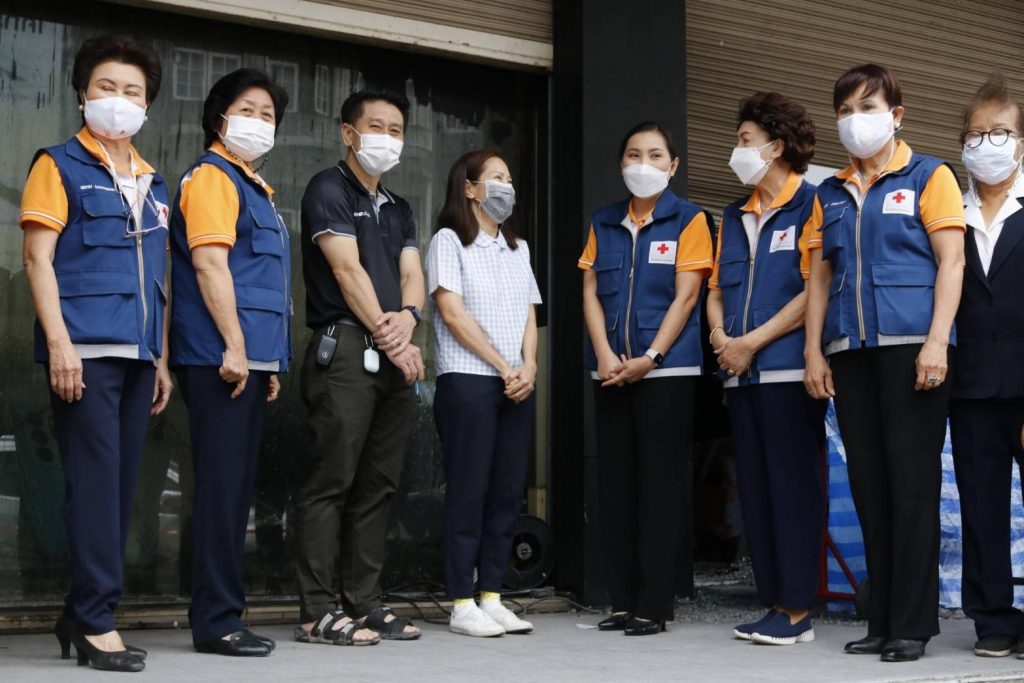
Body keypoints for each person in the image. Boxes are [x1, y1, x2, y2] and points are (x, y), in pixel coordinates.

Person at [802, 63, 966, 662]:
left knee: (911, 487)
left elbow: (952, 262)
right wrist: (814, 350)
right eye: (845, 110)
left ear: (896, 115)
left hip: (913, 350)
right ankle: (882, 616)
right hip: (851, 354)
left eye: (867, 108)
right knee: (869, 487)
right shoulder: (829, 192)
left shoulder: (930, 175)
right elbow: (819, 279)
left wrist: (937, 341)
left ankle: (913, 624)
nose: (855, 120)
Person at [20, 34, 170, 673]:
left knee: (119, 491)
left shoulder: (153, 182)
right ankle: (95, 620)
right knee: (94, 490)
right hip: (84, 351)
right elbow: (38, 260)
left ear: (147, 105)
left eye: (132, 91)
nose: (119, 99)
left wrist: (160, 359)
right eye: (107, 87)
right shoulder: (57, 165)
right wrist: (60, 344)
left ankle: (79, 611)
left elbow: (160, 277)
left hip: (138, 356)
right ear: (83, 94)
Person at [293, 89, 425, 646]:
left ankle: (364, 602)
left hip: (392, 349)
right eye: (377, 126)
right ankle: (317, 610)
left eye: (397, 130)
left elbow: (412, 274)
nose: (387, 138)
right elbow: (347, 273)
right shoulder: (328, 188)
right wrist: (393, 338)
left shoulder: (398, 206)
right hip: (347, 346)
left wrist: (409, 319)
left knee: (378, 484)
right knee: (332, 481)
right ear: (349, 132)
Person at [168, 68, 291, 657]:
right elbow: (211, 266)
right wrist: (238, 348)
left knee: (235, 492)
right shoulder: (214, 178)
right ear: (218, 116)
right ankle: (216, 621)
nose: (259, 122)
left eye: (269, 115)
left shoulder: (253, 187)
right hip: (220, 359)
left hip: (245, 362)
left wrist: (269, 361)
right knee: (221, 493)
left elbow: (260, 282)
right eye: (248, 110)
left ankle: (225, 613)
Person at [579, 121, 713, 636]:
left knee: (659, 486)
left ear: (673, 165)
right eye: (634, 154)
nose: (644, 163)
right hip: (612, 369)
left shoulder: (690, 218)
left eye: (656, 155)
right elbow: (590, 292)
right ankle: (622, 600)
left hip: (667, 370)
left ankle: (654, 604)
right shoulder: (604, 220)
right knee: (615, 485)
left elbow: (687, 296)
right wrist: (604, 353)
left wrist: (652, 356)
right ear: (621, 163)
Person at [706, 92, 825, 646]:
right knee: (755, 491)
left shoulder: (812, 204)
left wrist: (751, 342)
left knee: (792, 489)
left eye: (745, 140)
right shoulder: (734, 215)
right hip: (740, 374)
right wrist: (721, 338)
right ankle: (774, 603)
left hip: (785, 372)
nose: (737, 150)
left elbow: (813, 290)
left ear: (776, 147)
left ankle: (797, 608)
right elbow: (715, 289)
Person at [426, 150, 542, 637]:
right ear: (470, 188)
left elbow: (530, 314)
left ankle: (492, 595)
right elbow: (452, 314)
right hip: (469, 379)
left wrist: (529, 366)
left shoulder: (520, 249)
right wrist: (502, 365)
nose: (506, 187)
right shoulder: (448, 241)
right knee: (469, 491)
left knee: (507, 493)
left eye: (509, 178)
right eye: (496, 178)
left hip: (516, 383)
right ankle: (460, 601)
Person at [950, 74, 1024, 659]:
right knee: (981, 506)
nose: (987, 144)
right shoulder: (949, 212)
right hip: (972, 383)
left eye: (1000, 132)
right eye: (976, 134)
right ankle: (993, 618)